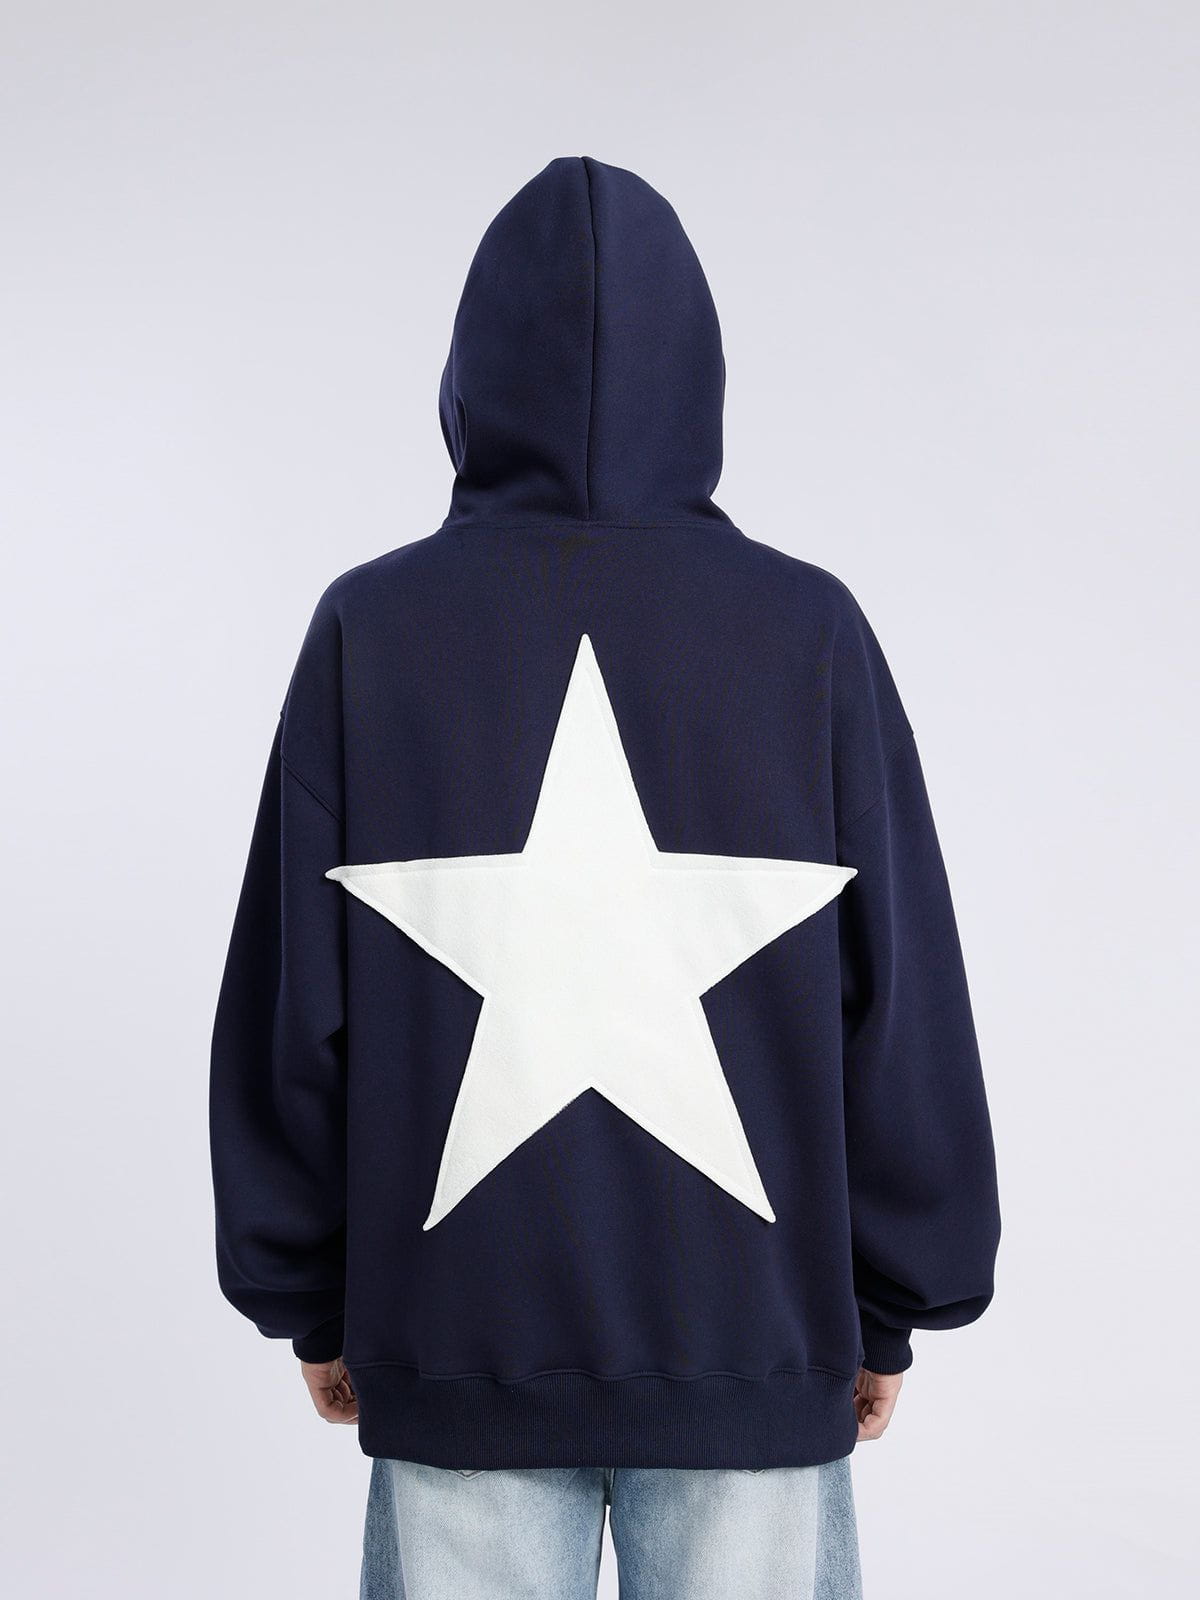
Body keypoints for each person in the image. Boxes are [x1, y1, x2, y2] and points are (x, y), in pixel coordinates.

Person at [209, 155, 1000, 1600]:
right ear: (701, 374)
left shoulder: (372, 630)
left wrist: (305, 1290)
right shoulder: (808, 632)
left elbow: (289, 1007)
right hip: (752, 1345)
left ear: (468, 374)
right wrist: (896, 1299)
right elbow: (903, 1005)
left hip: (455, 1339)